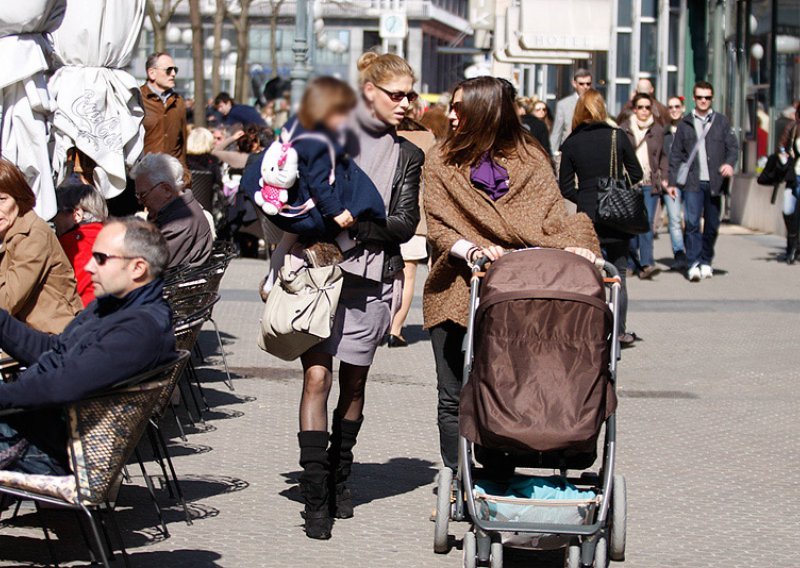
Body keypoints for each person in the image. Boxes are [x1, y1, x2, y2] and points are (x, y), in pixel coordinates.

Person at [424, 76, 600, 473]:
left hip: (516, 293)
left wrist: (580, 248)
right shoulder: (441, 159)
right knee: (452, 394)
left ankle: (497, 475)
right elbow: (438, 226)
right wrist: (470, 249)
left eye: (459, 108)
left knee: (504, 389)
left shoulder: (531, 158)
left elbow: (554, 216)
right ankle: (459, 480)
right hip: (455, 287)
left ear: (485, 112)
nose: (450, 116)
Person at [295, 52, 422, 540]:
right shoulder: (328, 137)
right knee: (316, 379)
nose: (407, 103)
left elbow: (404, 223)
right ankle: (315, 496)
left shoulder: (408, 154)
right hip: (321, 274)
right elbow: (294, 196)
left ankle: (340, 474)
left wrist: (354, 219)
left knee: (354, 383)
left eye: (410, 95)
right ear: (368, 90)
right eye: (398, 94)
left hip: (374, 278)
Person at [0, 218, 176, 475]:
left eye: (101, 259)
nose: (89, 266)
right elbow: (54, 349)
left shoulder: (139, 330)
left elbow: (62, 385)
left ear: (138, 267)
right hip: (34, 425)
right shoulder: (113, 304)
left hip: (45, 447)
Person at [559, 89, 643, 346]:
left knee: (587, 272)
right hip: (617, 214)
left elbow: (564, 186)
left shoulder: (572, 142)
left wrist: (585, 197)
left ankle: (587, 329)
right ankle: (618, 331)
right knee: (618, 274)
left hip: (588, 217)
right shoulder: (617, 137)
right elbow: (636, 173)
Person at [0, 160, 82, 335]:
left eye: (2, 199)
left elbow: (6, 301)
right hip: (23, 338)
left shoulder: (32, 233)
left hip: (54, 336)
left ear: (18, 197)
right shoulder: (6, 231)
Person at [667, 81, 738, 282]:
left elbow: (733, 147)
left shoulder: (721, 122)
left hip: (715, 182)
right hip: (692, 183)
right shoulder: (685, 123)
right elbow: (676, 155)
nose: (703, 101)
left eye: (707, 97)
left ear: (712, 98)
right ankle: (693, 263)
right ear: (694, 98)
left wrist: (729, 164)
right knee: (691, 223)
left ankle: (706, 260)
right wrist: (672, 183)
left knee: (713, 225)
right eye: (700, 97)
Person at [388, 110, 436, 347]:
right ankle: (395, 329)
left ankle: (379, 324)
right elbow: (431, 182)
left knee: (381, 271)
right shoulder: (425, 138)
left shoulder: (380, 133)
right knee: (407, 275)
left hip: (381, 214)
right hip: (413, 216)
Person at [131, 153, 213, 270]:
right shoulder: (179, 211)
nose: (140, 201)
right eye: (137, 195)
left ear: (167, 190)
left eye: (143, 194)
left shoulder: (178, 224)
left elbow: (146, 270)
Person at [621, 93, 672, 280]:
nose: (644, 111)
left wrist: (665, 177)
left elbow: (664, 157)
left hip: (651, 183)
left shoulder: (657, 130)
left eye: (647, 107)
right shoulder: (624, 128)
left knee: (648, 224)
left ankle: (647, 262)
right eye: (640, 107)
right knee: (632, 225)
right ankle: (631, 263)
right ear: (634, 109)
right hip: (630, 183)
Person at [53, 183, 108, 307]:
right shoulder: (110, 235)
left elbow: (67, 290)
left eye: (57, 212)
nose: (54, 219)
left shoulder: (74, 243)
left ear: (76, 215)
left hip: (86, 315)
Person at [140, 52, 190, 185]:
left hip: (172, 181)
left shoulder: (178, 102)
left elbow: (182, 144)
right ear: (152, 73)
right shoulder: (137, 100)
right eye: (168, 70)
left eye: (175, 70)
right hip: (142, 179)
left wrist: (185, 176)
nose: (173, 74)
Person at [663, 96, 688, 270]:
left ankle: (692, 252)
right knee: (674, 220)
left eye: (677, 106)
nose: (674, 110)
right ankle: (679, 253)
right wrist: (664, 179)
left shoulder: (690, 130)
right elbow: (660, 158)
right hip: (670, 182)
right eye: (670, 107)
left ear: (683, 108)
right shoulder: (663, 133)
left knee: (691, 220)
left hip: (690, 181)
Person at [549, 68, 593, 153]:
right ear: (574, 83)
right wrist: (552, 154)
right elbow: (557, 131)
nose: (585, 87)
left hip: (591, 148)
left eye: (588, 84)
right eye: (581, 84)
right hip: (570, 149)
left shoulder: (597, 103)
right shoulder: (563, 104)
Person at [778, 102, 799, 264]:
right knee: (787, 210)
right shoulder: (793, 128)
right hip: (793, 176)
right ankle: (792, 244)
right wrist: (784, 153)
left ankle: (793, 248)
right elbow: (781, 146)